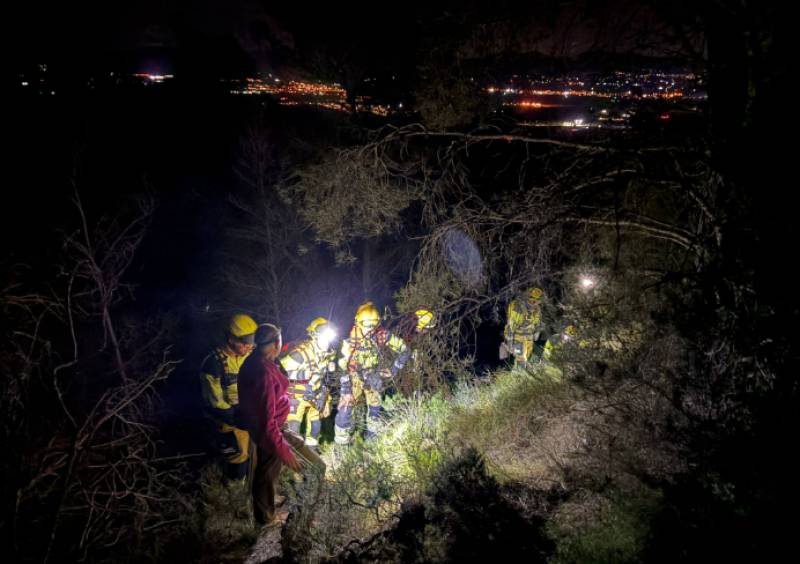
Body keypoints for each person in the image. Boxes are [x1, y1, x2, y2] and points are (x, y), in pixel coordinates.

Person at [237, 323, 326, 526]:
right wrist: (286, 453)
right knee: (315, 467)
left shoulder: (258, 362)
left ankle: (267, 514)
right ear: (277, 343)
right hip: (272, 431)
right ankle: (282, 519)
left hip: (270, 428)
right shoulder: (263, 374)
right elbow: (267, 424)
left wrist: (296, 387)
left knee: (267, 472)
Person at [334, 302, 409, 444]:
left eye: (373, 325)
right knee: (345, 411)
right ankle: (341, 446)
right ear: (357, 322)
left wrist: (394, 369)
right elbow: (342, 366)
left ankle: (372, 443)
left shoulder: (382, 336)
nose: (370, 329)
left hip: (373, 375)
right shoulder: (348, 340)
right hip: (353, 377)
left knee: (375, 410)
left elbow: (405, 350)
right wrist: (346, 391)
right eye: (366, 325)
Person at [199, 313, 257, 480]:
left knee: (257, 455)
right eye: (246, 343)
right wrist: (238, 417)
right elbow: (216, 403)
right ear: (232, 340)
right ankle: (234, 495)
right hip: (229, 420)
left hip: (249, 415)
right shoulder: (214, 363)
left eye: (252, 341)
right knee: (239, 457)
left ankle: (254, 492)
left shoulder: (249, 354)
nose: (250, 346)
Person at [279, 317, 338, 449]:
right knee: (292, 430)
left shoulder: (327, 354)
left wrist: (326, 395)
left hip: (315, 395)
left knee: (315, 427)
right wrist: (300, 375)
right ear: (314, 336)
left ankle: (311, 455)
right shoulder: (300, 354)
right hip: (297, 396)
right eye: (323, 337)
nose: (326, 342)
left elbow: (325, 378)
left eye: (328, 338)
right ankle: (291, 460)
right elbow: (277, 371)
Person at [502, 287, 547, 368]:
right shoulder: (518, 308)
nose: (535, 303)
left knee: (527, 357)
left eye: (537, 301)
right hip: (517, 337)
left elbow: (537, 323)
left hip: (529, 337)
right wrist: (509, 341)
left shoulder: (537, 309)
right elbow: (511, 326)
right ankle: (518, 376)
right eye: (532, 300)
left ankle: (523, 375)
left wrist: (537, 331)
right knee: (521, 359)